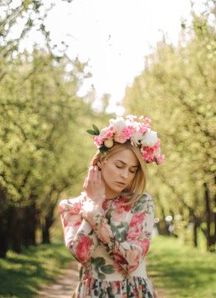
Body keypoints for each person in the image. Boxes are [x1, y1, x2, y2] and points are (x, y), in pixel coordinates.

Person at [58, 115, 165, 298]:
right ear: (101, 161)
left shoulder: (141, 204)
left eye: (132, 170)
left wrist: (94, 215)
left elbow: (131, 261)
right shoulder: (71, 206)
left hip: (132, 292)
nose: (125, 175)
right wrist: (95, 203)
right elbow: (81, 253)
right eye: (119, 165)